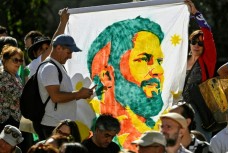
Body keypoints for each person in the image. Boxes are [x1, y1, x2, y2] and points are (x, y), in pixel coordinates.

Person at [87, 16, 165, 150]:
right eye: (144, 59)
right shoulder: (89, 133)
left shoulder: (162, 133)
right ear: (106, 75)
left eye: (159, 61)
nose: (158, 70)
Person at [36, 33, 93, 139]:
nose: (70, 56)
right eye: (69, 52)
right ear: (58, 48)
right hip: (54, 126)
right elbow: (56, 97)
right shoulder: (50, 68)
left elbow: (62, 96)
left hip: (59, 125)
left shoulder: (57, 66)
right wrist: (78, 94)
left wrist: (80, 95)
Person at [182, 0, 217, 141]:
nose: (196, 45)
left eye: (200, 43)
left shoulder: (207, 60)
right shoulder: (181, 60)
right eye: (193, 42)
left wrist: (195, 14)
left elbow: (207, 33)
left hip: (200, 108)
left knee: (201, 141)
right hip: (180, 107)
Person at [0, 46, 23, 131]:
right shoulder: (2, 76)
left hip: (15, 121)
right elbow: (18, 97)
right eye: (15, 60)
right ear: (5, 61)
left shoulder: (16, 77)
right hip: (5, 123)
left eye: (20, 60)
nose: (18, 63)